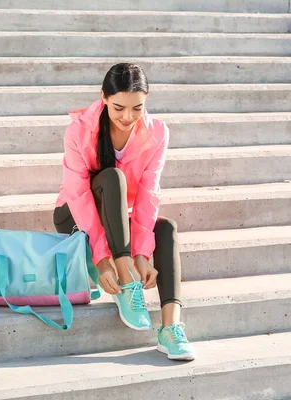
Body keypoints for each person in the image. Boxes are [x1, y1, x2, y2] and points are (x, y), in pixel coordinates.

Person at [53, 63, 195, 361]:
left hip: (117, 223)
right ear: (103, 97)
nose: (127, 117)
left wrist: (143, 254)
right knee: (112, 177)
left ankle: (170, 328)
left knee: (166, 227)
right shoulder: (79, 131)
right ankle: (126, 278)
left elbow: (148, 193)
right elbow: (78, 196)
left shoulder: (157, 133)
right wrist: (103, 261)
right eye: (118, 107)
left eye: (137, 108)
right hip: (74, 217)